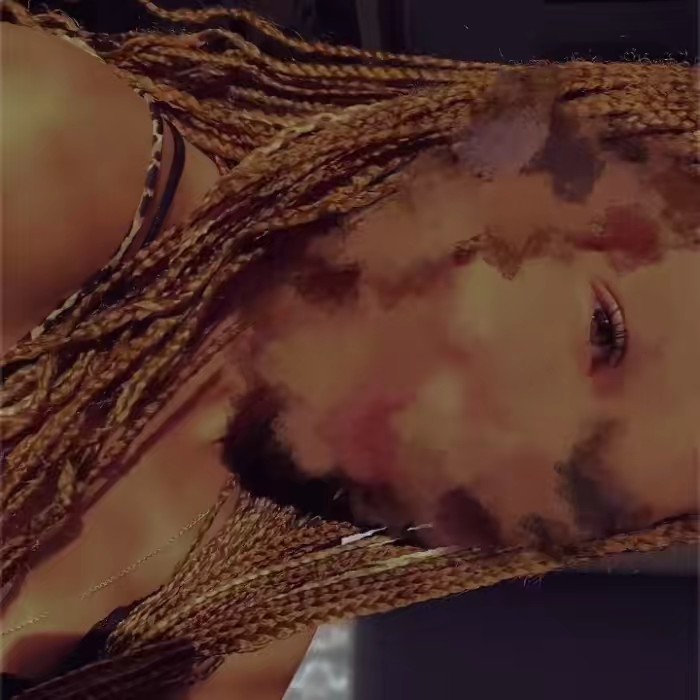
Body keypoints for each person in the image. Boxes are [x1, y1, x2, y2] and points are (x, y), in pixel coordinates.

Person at [1, 1, 697, 697]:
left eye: (585, 483)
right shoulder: (50, 152)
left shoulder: (232, 625)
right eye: (602, 333)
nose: (528, 441)